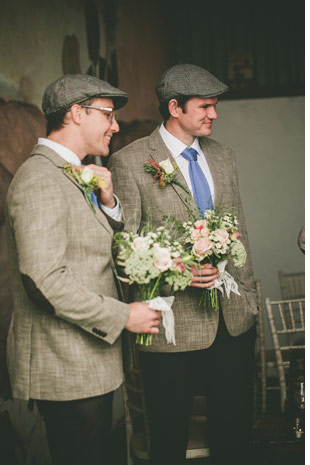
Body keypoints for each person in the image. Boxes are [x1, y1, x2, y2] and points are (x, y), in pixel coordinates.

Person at [5, 74, 161, 465]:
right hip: (65, 368)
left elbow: (91, 251)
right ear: (76, 113)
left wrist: (108, 204)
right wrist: (124, 315)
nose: (116, 125)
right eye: (108, 114)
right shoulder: (39, 178)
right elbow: (43, 280)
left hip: (90, 363)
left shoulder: (76, 174)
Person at [109, 64, 258, 465]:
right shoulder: (130, 161)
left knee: (235, 436)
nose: (214, 114)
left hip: (233, 321)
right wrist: (178, 271)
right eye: (205, 106)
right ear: (174, 107)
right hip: (172, 329)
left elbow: (239, 230)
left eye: (215, 106)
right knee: (169, 439)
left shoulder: (223, 157)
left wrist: (249, 299)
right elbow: (123, 249)